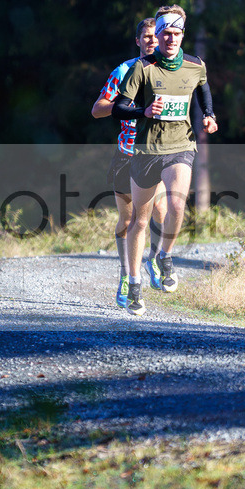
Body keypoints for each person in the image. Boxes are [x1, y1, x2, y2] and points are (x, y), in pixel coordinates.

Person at [112, 4, 218, 316]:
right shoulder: (142, 69)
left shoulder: (195, 65)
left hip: (180, 146)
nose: (171, 39)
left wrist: (209, 115)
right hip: (145, 151)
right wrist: (142, 112)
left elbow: (203, 90)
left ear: (183, 35)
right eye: (165, 33)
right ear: (156, 37)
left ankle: (165, 257)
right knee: (140, 221)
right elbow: (119, 107)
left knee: (176, 205)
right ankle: (133, 283)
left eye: (176, 33)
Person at [91, 17, 167, 308]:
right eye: (146, 37)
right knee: (129, 219)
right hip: (127, 153)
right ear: (138, 41)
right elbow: (97, 109)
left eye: (155, 36)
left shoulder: (169, 71)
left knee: (161, 209)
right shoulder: (123, 71)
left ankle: (155, 259)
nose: (151, 41)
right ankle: (125, 276)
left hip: (158, 150)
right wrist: (131, 108)